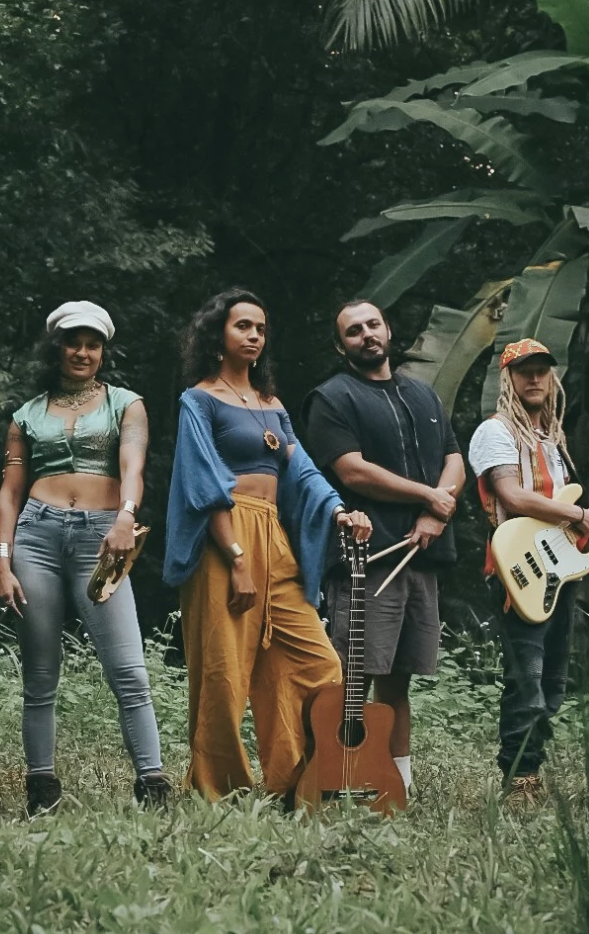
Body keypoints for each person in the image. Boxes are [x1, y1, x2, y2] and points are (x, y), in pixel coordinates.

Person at [163, 288, 372, 802]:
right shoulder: (199, 399)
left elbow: (300, 470)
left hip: (275, 538)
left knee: (316, 663)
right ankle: (220, 791)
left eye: (260, 328)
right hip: (225, 538)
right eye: (243, 326)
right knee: (224, 673)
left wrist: (340, 510)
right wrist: (235, 559)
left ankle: (294, 782)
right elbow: (202, 480)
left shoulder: (272, 405)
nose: (254, 335)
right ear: (218, 337)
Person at [0, 300, 169, 815]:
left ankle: (153, 785)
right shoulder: (26, 414)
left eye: (93, 344)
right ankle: (42, 789)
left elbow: (133, 465)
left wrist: (125, 515)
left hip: (104, 535)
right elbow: (8, 493)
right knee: (41, 672)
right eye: (74, 342)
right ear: (59, 346)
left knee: (129, 669)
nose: (83, 352)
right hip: (36, 537)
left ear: (102, 350)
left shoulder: (126, 404)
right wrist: (3, 561)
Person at [303, 300, 465, 797]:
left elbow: (454, 459)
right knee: (354, 675)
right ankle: (333, 776)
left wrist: (437, 512)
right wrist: (426, 496)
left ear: (389, 330)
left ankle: (397, 783)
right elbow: (350, 469)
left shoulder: (424, 394)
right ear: (341, 346)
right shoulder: (331, 397)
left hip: (423, 554)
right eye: (354, 331)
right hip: (366, 558)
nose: (367, 335)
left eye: (373, 325)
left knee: (400, 680)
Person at [467, 338, 589, 803]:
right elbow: (513, 497)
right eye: (524, 371)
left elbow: (554, 515)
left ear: (552, 377)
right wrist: (576, 516)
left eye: (542, 369)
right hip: (515, 571)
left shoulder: (552, 440)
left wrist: (577, 528)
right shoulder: (496, 432)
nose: (535, 378)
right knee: (528, 678)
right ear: (508, 379)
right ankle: (519, 780)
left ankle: (531, 771)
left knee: (552, 683)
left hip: (555, 571)